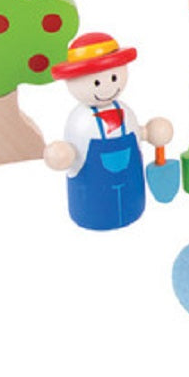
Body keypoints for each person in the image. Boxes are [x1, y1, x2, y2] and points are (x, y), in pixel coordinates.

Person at [44, 32, 171, 230]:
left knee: (130, 198)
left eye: (113, 77)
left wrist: (150, 132)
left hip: (131, 187)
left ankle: (132, 208)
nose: (106, 87)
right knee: (96, 208)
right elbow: (70, 154)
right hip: (91, 196)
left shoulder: (126, 113)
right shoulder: (79, 121)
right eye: (96, 82)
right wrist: (63, 154)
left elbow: (141, 133)